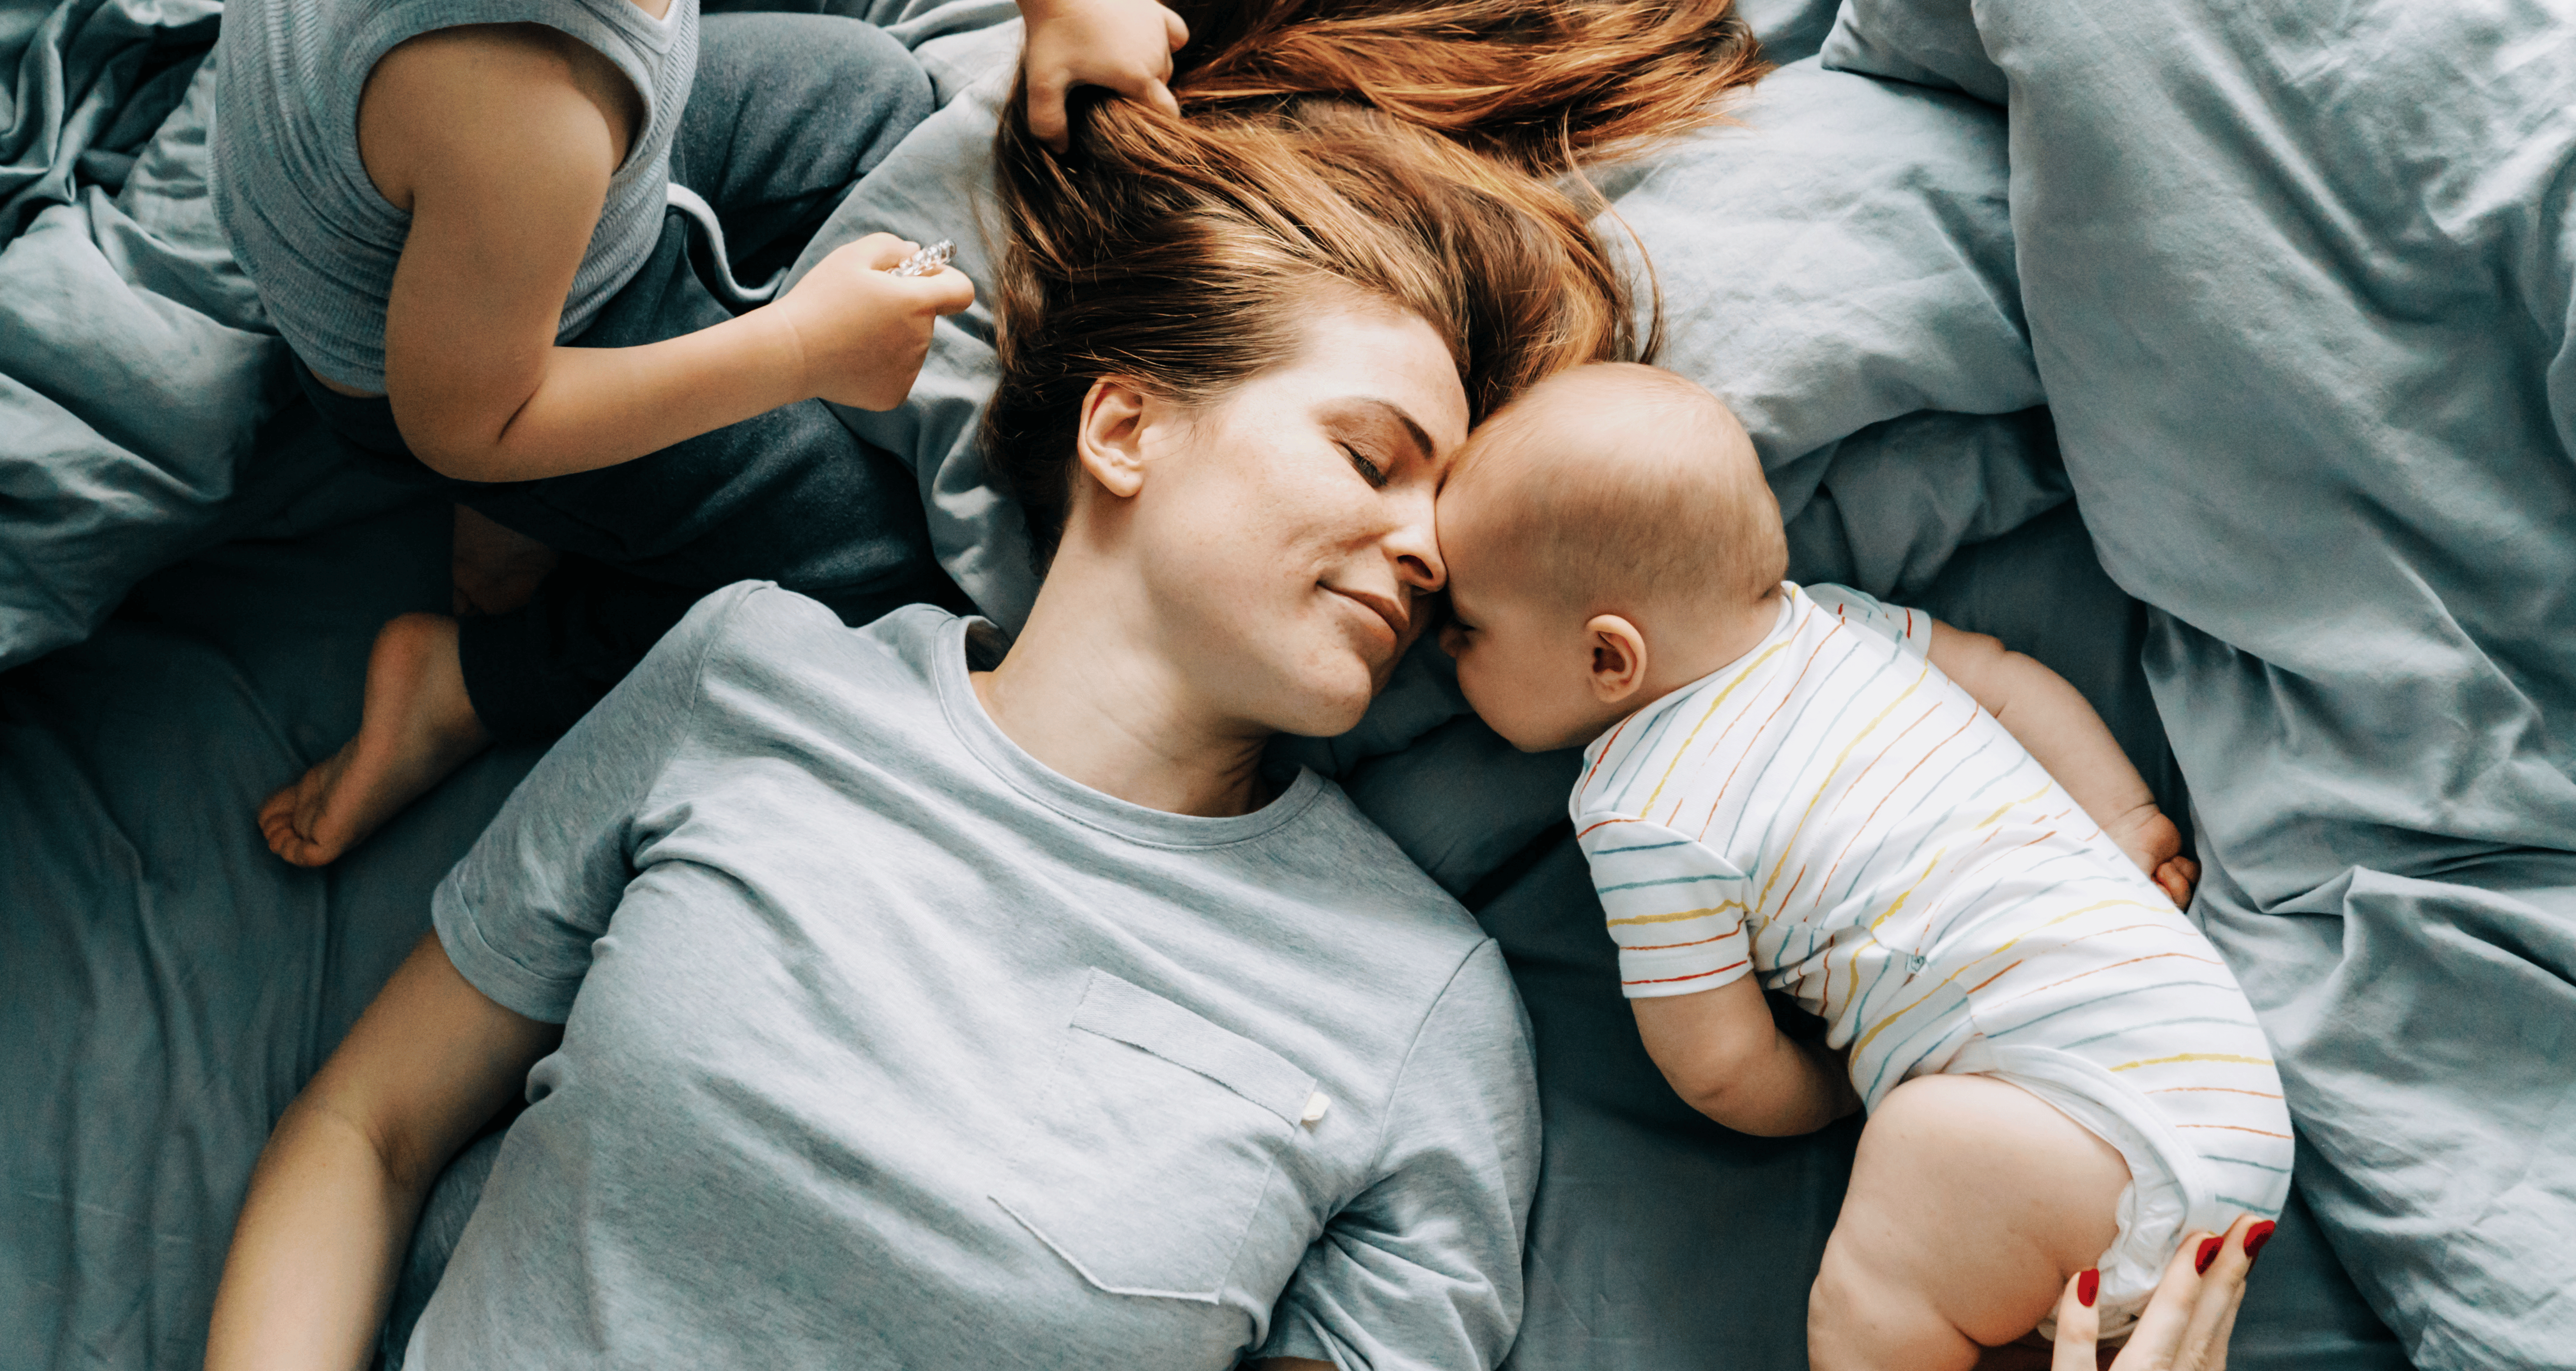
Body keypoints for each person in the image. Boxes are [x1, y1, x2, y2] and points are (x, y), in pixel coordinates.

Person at [199, 5, 1768, 1369]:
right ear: (1127, 431)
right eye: (1370, 458)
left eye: (1450, 513)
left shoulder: (1416, 1012)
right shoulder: (747, 683)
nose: (1428, 546)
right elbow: (368, 1130)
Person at [1429, 363, 2292, 1368]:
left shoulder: (1643, 806)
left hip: (2076, 1135)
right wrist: (2125, 816)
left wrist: (1832, 1088)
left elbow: (1717, 1065)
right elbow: (2009, 685)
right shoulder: (1838, 625)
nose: (1445, 656)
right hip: (2210, 1070)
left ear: (1609, 659)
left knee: (1869, 1285)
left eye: (1466, 631)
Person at [214, 0, 1194, 868]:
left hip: (554, 204)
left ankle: (523, 511)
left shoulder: (541, 99)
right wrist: (801, 347)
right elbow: (468, 424)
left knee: (877, 93)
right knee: (879, 562)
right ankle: (471, 678)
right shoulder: (523, 102)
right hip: (490, 379)